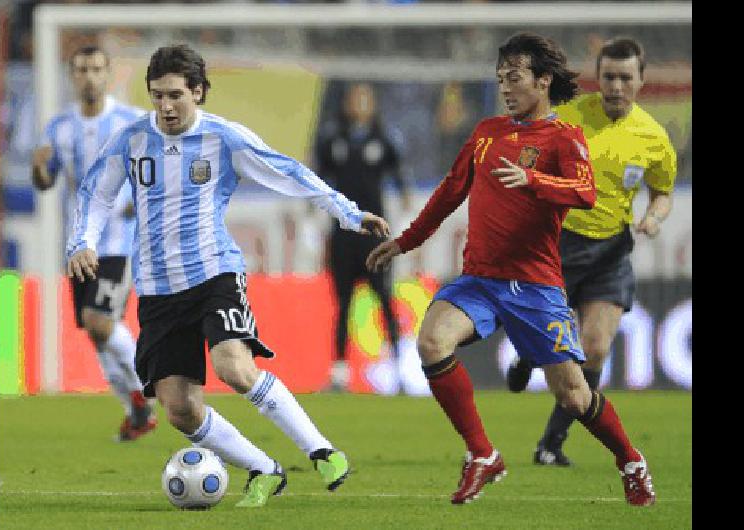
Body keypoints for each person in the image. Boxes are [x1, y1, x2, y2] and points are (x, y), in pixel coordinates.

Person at [66, 44, 390, 508]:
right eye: (158, 95)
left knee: (234, 367)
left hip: (214, 271)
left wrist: (348, 212)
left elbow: (289, 173)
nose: (166, 106)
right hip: (158, 288)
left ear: (198, 92)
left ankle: (322, 451)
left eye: (176, 95)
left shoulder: (223, 138)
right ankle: (264, 469)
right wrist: (83, 241)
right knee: (178, 407)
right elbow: (96, 194)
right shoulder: (131, 139)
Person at [366, 33, 655, 507]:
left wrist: (534, 179)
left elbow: (584, 192)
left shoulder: (565, 138)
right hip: (479, 279)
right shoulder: (486, 133)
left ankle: (630, 460)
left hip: (535, 287)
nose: (506, 86)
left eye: (515, 77)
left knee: (574, 397)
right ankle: (482, 455)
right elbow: (448, 193)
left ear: (542, 82)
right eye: (501, 78)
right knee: (431, 341)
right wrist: (404, 241)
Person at [505, 37, 677, 467]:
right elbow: (531, 157)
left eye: (625, 77)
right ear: (597, 79)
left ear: (641, 81)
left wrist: (654, 217)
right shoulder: (570, 117)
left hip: (611, 251)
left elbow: (663, 192)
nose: (616, 85)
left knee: (595, 348)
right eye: (608, 77)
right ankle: (528, 351)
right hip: (559, 242)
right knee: (549, 335)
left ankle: (551, 443)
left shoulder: (654, 139)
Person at [31, 46, 156, 442]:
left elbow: (155, 176)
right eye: (82, 69)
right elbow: (46, 182)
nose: (89, 76)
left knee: (101, 323)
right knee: (94, 327)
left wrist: (138, 205)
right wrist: (38, 170)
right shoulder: (59, 128)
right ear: (72, 75)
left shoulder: (132, 122)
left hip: (119, 243)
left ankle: (147, 386)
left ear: (108, 74)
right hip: (78, 245)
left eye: (96, 69)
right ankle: (136, 411)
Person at [314, 82, 412, 391]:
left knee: (384, 298)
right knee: (342, 303)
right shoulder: (333, 139)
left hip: (373, 236)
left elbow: (399, 178)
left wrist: (406, 212)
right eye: (354, 98)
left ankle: (398, 370)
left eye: (365, 98)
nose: (359, 104)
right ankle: (339, 375)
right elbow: (319, 180)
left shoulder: (383, 139)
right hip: (343, 235)